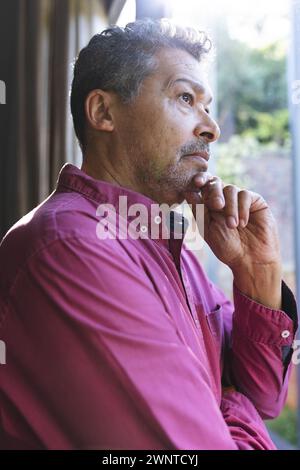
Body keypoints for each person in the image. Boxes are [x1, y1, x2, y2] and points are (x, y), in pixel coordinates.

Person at [0, 18, 298, 450]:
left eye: (207, 105)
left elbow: (266, 396)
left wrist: (258, 276)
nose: (210, 128)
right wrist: (226, 400)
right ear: (103, 112)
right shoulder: (72, 248)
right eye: (184, 97)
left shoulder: (171, 250)